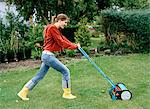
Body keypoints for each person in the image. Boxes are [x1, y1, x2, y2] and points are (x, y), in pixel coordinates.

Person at [17, 13, 80, 101]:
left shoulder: (53, 29)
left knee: (39, 76)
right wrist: (75, 47)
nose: (66, 25)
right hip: (48, 56)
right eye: (65, 22)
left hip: (46, 55)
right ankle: (67, 93)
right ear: (60, 21)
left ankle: (23, 92)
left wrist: (74, 45)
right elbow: (61, 42)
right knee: (66, 71)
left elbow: (63, 39)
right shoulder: (52, 28)